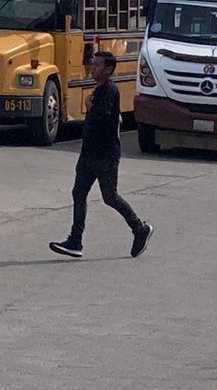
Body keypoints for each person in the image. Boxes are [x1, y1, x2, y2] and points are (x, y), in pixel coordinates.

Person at [50, 50, 152, 260]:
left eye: (97, 65)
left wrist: (89, 106)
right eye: (92, 64)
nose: (93, 68)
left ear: (108, 69)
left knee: (110, 197)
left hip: (105, 155)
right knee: (78, 193)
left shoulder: (109, 91)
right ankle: (75, 240)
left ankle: (139, 228)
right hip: (89, 153)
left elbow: (104, 120)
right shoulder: (99, 90)